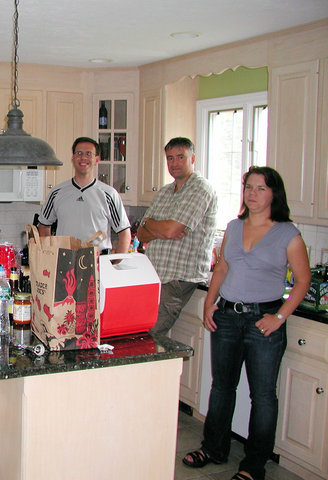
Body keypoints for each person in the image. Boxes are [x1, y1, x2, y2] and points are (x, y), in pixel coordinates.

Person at [182, 166, 311, 480]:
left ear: (273, 194)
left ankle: (254, 466)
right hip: (227, 316)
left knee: (263, 396)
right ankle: (213, 448)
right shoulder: (234, 227)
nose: (252, 194)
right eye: (248, 187)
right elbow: (223, 267)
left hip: (262, 321)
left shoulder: (288, 233)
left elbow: (303, 281)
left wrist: (279, 318)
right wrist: (209, 303)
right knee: (222, 388)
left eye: (260, 189)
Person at [137, 137, 217, 336]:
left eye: (180, 157)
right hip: (154, 276)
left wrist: (156, 226)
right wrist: (156, 227)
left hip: (176, 281)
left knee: (148, 338)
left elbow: (170, 230)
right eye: (170, 158)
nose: (174, 163)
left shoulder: (200, 188)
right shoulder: (165, 191)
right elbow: (141, 234)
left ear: (193, 158)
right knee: (136, 335)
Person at [38, 137, 131, 253]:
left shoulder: (109, 194)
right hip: (64, 260)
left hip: (98, 261)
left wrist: (115, 263)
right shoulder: (56, 193)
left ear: (97, 159)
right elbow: (44, 226)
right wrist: (48, 253)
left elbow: (124, 233)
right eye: (79, 153)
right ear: (73, 158)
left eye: (89, 154)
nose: (83, 158)